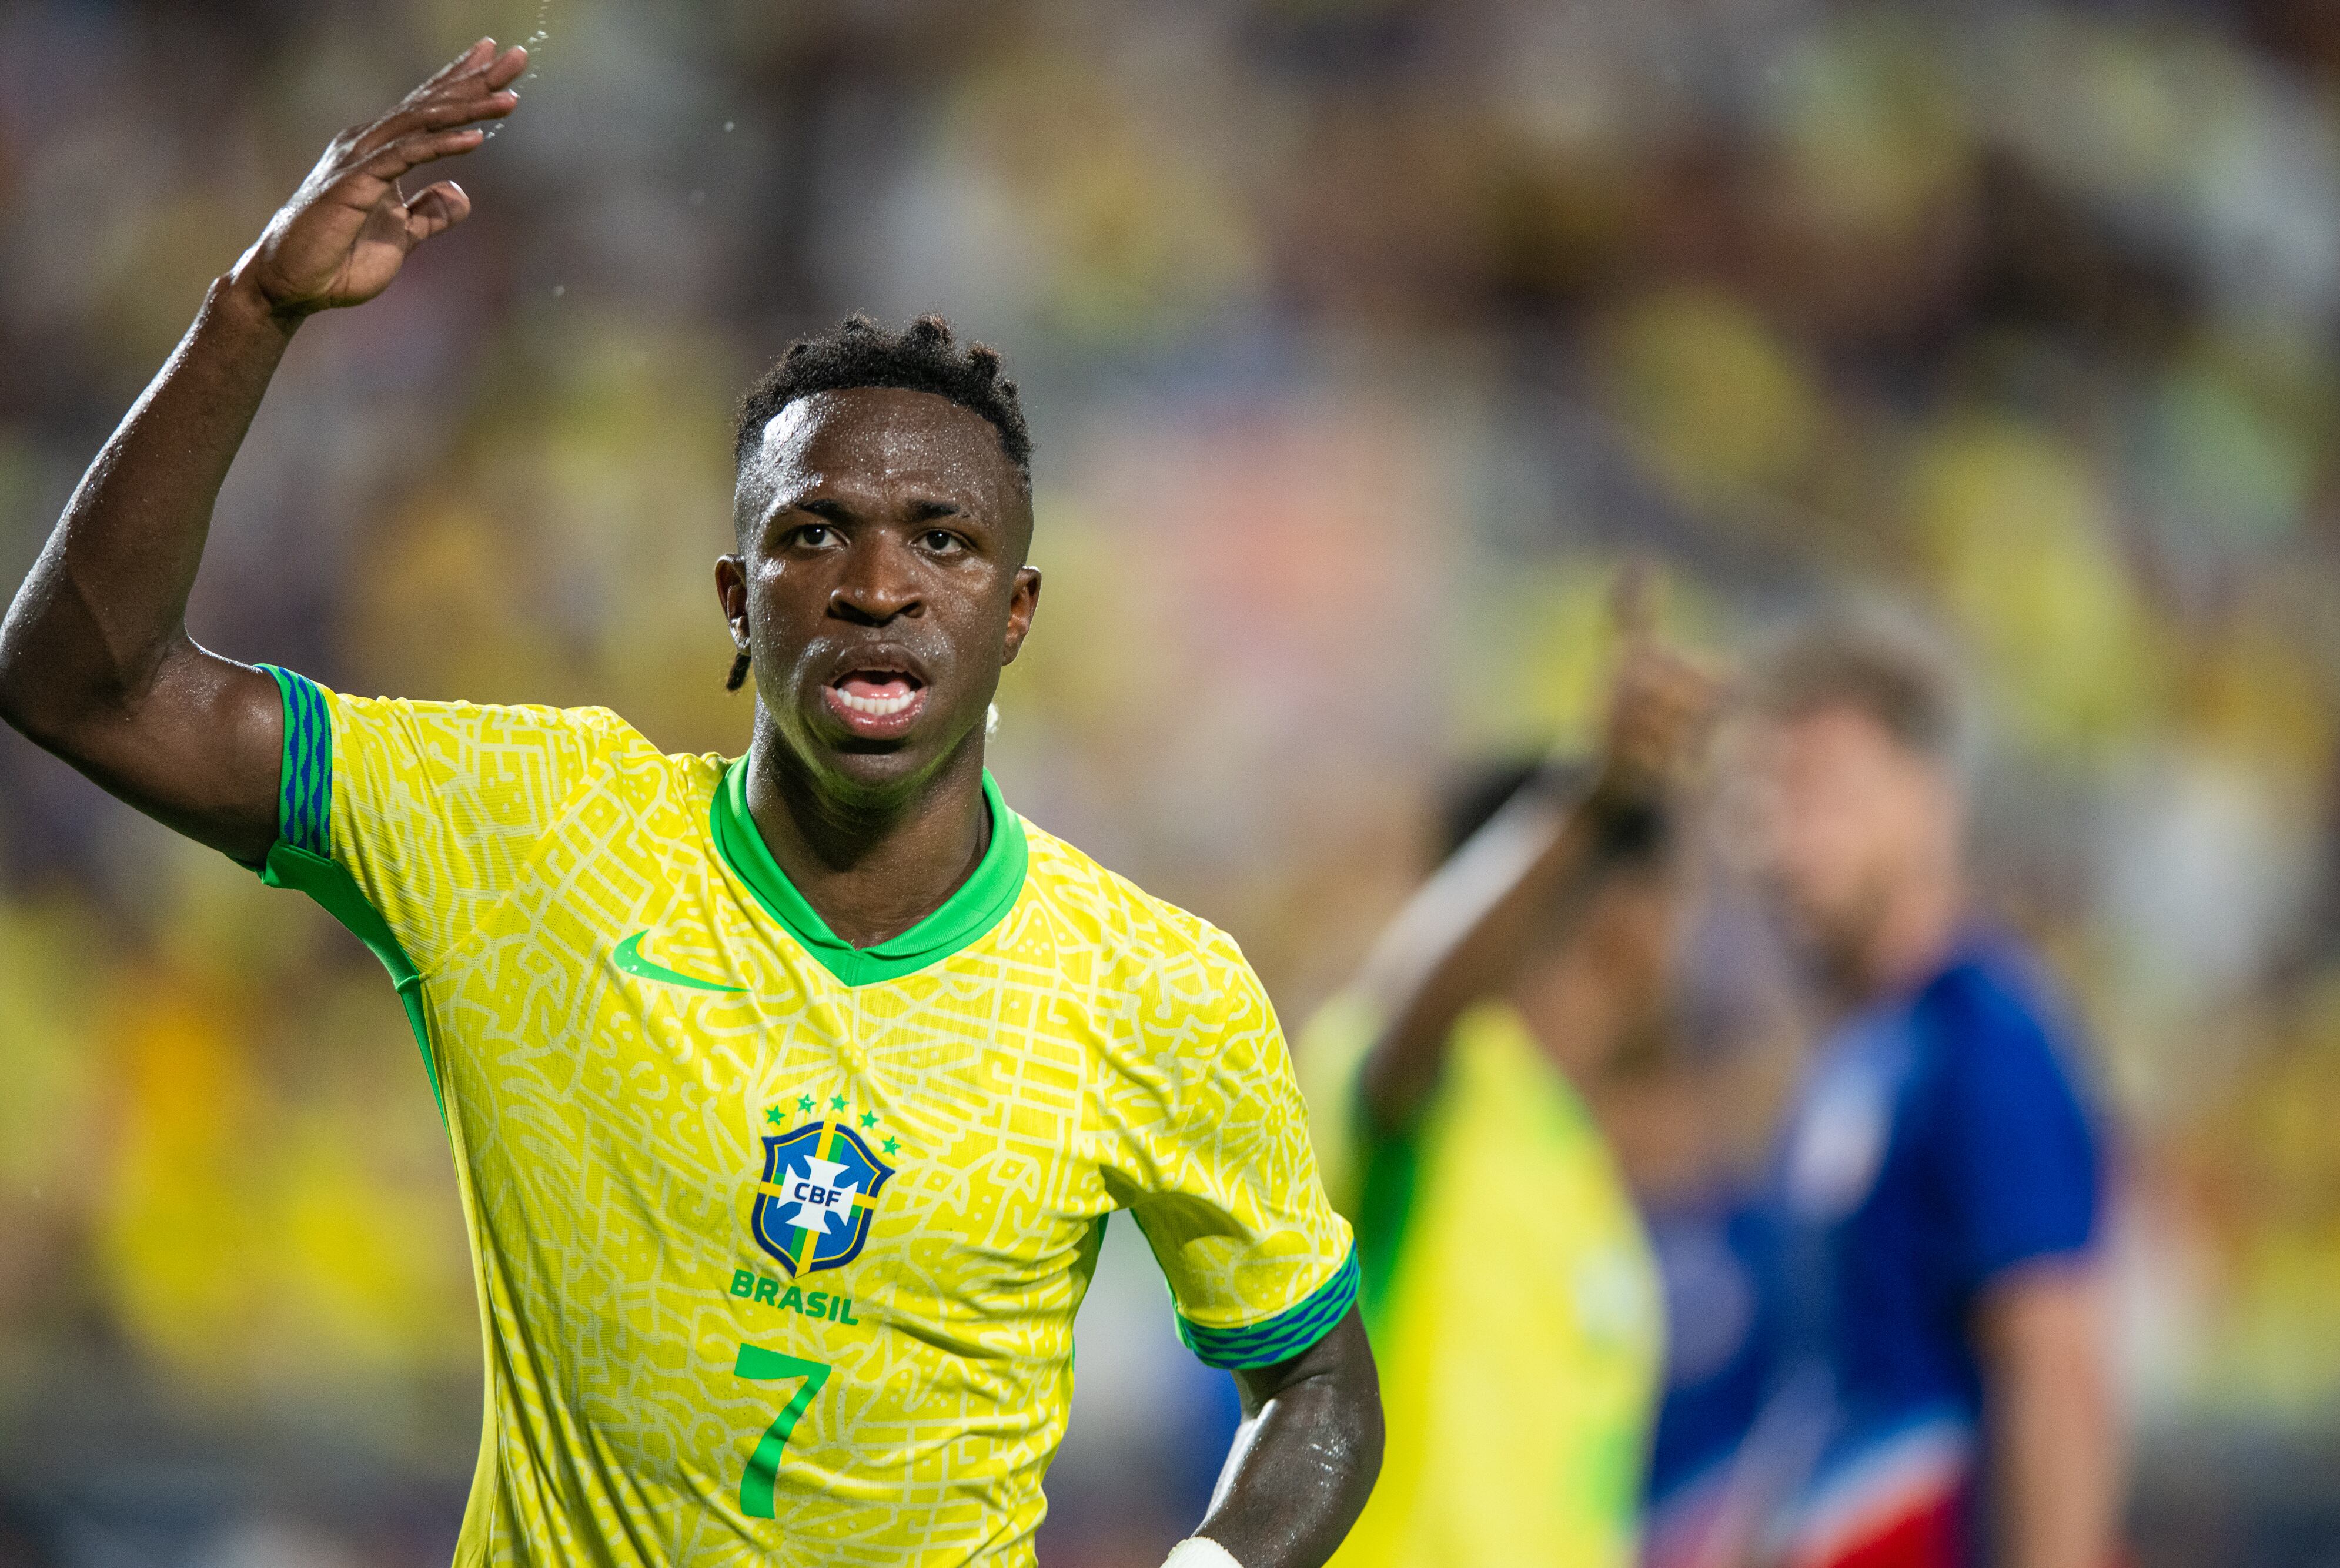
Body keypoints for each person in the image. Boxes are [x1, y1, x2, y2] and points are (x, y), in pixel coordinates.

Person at [0, 41, 1379, 1568]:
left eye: (944, 541)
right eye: (814, 536)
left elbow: (1314, 1379)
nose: (876, 586)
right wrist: (251, 311)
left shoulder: (1156, 989)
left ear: (1020, 611)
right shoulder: (533, 831)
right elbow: (82, 682)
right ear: (736, 599)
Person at [1297, 601, 1711, 1568]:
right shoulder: (1435, 1091)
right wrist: (1588, 798)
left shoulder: (1568, 1152)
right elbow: (1410, 1012)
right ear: (1623, 914)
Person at [1736, 623, 2115, 1568]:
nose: (1782, 845)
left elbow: (2053, 1371)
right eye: (1760, 802)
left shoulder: (1986, 1045)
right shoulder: (1854, 1057)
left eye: (1820, 794)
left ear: (1929, 803)